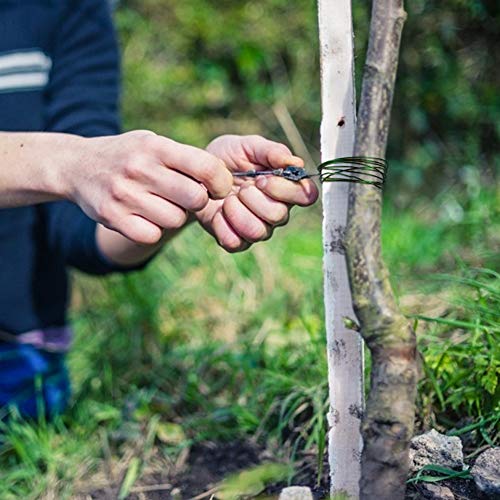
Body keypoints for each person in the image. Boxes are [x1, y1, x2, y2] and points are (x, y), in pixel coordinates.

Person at [0, 1, 317, 418]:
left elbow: (81, 230)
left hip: (20, 363)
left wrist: (184, 190)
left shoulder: (69, 8)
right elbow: (78, 166)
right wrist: (64, 162)